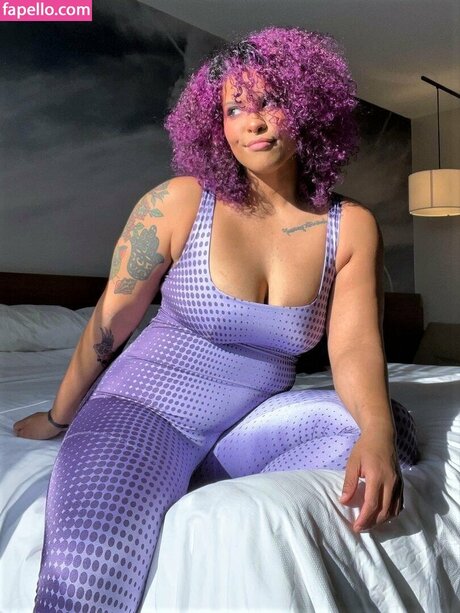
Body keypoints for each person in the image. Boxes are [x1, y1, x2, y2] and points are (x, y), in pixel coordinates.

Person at [13, 27, 418, 613]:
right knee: (87, 577)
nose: (252, 123)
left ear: (309, 107)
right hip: (142, 415)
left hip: (242, 429)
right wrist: (58, 417)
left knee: (387, 430)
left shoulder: (349, 225)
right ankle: (148, 479)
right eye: (233, 108)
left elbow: (354, 347)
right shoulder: (180, 202)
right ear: (214, 124)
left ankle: (184, 484)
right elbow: (108, 326)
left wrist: (375, 435)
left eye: (270, 101)